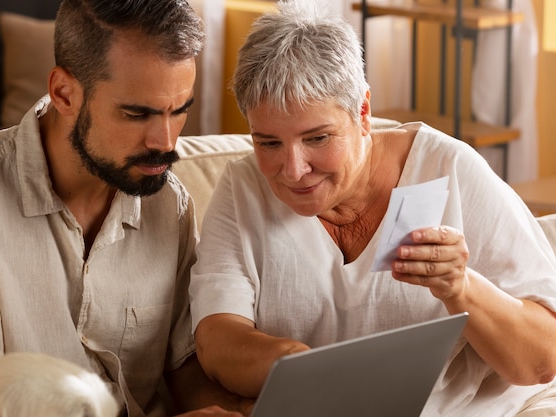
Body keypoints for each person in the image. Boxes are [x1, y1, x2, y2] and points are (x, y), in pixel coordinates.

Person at [189, 1, 556, 415]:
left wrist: (461, 287)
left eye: (317, 138)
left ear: (363, 113)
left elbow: (543, 359)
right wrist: (298, 365)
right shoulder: (242, 189)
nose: (293, 170)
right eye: (268, 142)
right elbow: (216, 337)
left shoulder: (448, 169)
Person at [0, 1, 247, 416]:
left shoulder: (168, 203)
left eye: (179, 111)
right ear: (64, 93)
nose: (165, 142)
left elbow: (184, 366)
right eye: (137, 114)